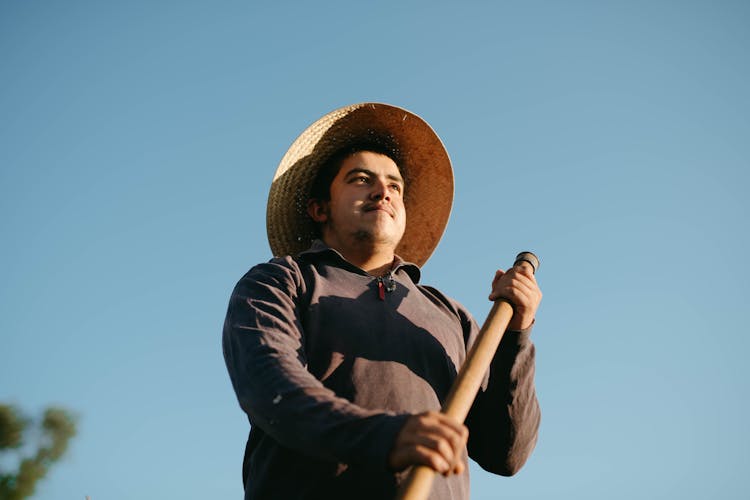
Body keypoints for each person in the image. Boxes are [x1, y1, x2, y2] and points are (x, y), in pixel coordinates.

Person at [223, 103, 542, 500]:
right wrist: (383, 436)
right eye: (361, 179)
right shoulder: (281, 281)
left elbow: (505, 453)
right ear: (318, 208)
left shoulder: (452, 316)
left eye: (395, 186)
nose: (383, 192)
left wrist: (515, 337)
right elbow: (268, 387)